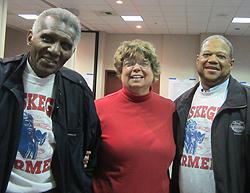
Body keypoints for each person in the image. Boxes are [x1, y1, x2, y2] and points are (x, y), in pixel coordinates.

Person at [0, 8, 101, 193]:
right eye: (47, 38)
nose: (55, 50)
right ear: (30, 37)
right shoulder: (2, 77)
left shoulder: (77, 88)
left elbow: (92, 144)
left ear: (72, 51)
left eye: (65, 45)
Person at [93, 39, 176, 193]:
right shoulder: (99, 108)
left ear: (153, 70)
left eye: (144, 63)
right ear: (120, 71)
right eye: (129, 63)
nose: (136, 68)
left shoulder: (169, 108)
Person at [171, 35, 250, 193]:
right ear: (198, 59)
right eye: (207, 54)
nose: (212, 60)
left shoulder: (246, 102)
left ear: (231, 63)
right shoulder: (180, 103)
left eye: (221, 56)